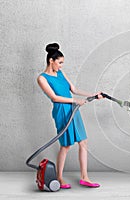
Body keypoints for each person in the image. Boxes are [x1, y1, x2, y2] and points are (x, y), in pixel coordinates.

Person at [37, 43, 103, 189]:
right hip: (62, 110)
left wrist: (93, 95)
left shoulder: (61, 73)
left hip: (73, 108)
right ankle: (59, 178)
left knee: (83, 142)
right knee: (66, 145)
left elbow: (74, 89)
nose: (61, 66)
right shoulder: (42, 78)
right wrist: (75, 101)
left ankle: (85, 177)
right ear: (51, 61)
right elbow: (54, 98)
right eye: (59, 62)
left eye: (62, 63)